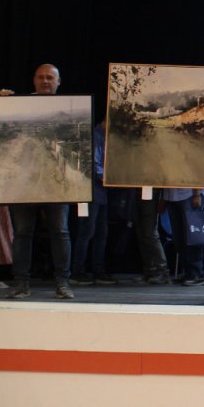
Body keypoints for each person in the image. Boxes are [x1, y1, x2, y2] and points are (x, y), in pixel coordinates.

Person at [6, 63, 74, 299]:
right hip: (25, 182)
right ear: (34, 80)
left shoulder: (69, 111)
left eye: (50, 78)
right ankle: (21, 283)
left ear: (58, 82)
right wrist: (1, 104)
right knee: (23, 232)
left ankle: (63, 283)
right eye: (41, 77)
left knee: (60, 232)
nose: (46, 81)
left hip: (56, 183)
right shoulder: (20, 106)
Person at [70, 122, 114, 286]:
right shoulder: (95, 136)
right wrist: (111, 179)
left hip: (102, 192)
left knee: (101, 232)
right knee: (87, 231)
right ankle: (78, 271)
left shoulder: (105, 136)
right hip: (91, 191)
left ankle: (98, 270)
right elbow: (94, 166)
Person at [164, 187, 204, 286]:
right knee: (179, 237)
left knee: (193, 236)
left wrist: (197, 194)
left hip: (189, 194)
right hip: (171, 196)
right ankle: (188, 272)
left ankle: (197, 274)